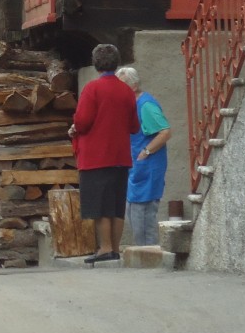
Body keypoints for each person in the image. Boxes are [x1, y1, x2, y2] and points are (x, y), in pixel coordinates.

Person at [67, 44, 139, 264]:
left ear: (96, 63)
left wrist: (74, 128)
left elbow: (82, 121)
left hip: (96, 156)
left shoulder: (92, 88)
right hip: (120, 156)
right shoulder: (127, 91)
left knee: (100, 205)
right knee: (116, 204)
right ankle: (115, 248)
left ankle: (105, 248)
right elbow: (134, 126)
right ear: (116, 63)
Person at [116, 66, 171, 246]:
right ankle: (143, 253)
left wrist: (145, 152)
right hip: (137, 169)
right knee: (134, 214)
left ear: (133, 86)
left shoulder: (146, 105)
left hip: (148, 167)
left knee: (144, 218)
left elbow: (165, 132)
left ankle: (149, 254)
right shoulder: (131, 105)